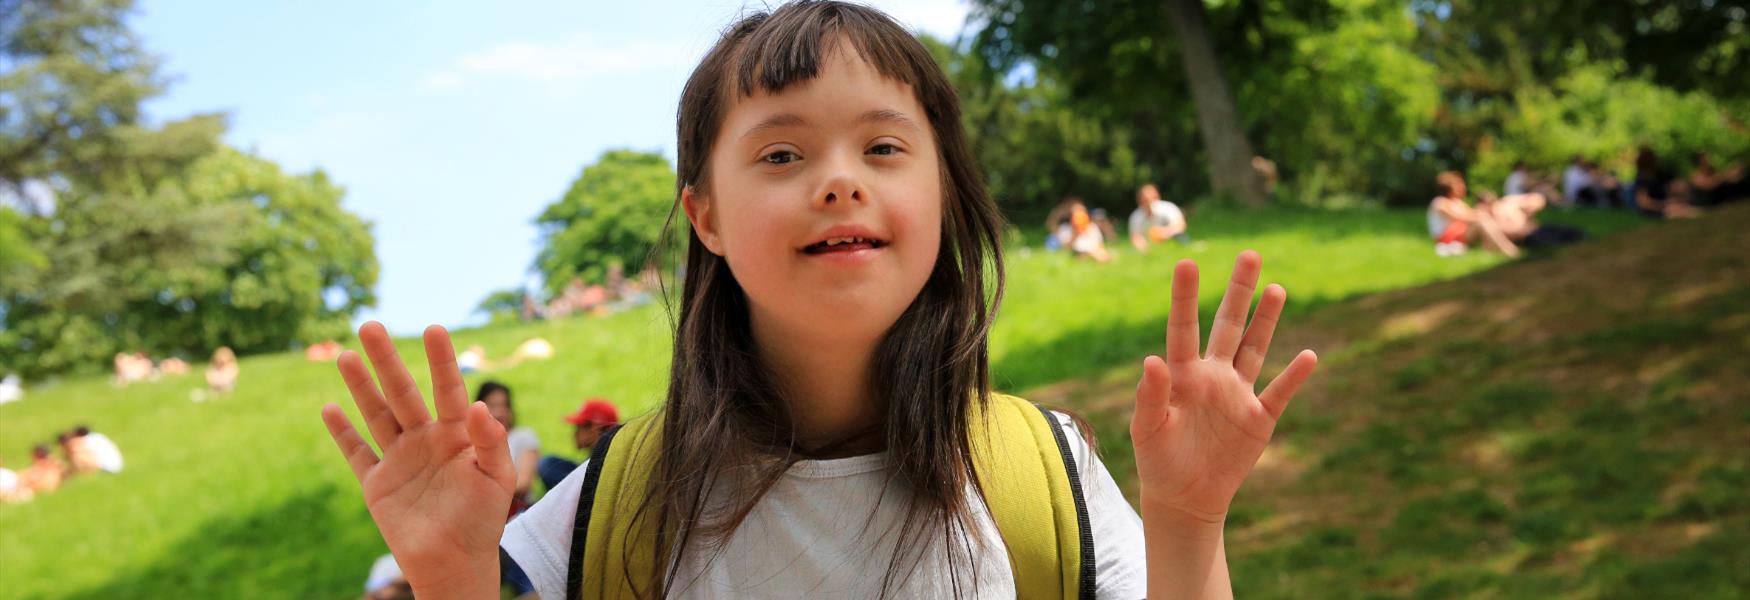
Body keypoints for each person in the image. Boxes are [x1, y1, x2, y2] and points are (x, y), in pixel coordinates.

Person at [317, 4, 1320, 598]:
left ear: (942, 193)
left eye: (883, 147)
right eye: (782, 153)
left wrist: (1188, 524)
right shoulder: (607, 512)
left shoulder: (1048, 479)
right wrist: (455, 576)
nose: (839, 181)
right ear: (702, 216)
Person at [477, 381, 539, 516]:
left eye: (504, 405)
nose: (499, 412)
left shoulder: (523, 437)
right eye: (492, 406)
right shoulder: (472, 443)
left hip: (517, 512)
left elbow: (523, 484)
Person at [1427, 171, 1520, 257]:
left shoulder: (1457, 202)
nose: (1462, 186)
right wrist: (1480, 214)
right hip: (1448, 239)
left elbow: (1472, 213)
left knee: (1484, 219)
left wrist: (1483, 211)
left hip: (1460, 234)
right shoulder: (1440, 203)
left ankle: (1496, 247)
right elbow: (1462, 217)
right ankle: (1506, 249)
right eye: (1458, 184)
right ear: (1448, 186)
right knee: (1481, 221)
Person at [537, 399, 620, 492]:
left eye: (579, 426)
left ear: (596, 428)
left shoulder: (608, 464)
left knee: (548, 464)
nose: (575, 433)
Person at [1484, 186, 1586, 250]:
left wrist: (1531, 207)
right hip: (1527, 237)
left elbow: (1537, 199)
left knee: (1574, 232)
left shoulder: (1508, 202)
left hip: (1538, 228)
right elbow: (1500, 235)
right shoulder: (1488, 220)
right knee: (1551, 245)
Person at [1128, 182, 1191, 252]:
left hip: (1171, 238)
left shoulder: (1168, 208)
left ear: (1157, 197)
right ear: (1140, 201)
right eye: (1145, 200)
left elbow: (1181, 225)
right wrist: (1140, 244)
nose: (1149, 202)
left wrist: (1164, 233)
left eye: (1151, 198)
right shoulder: (1136, 216)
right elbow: (1135, 236)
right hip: (1148, 243)